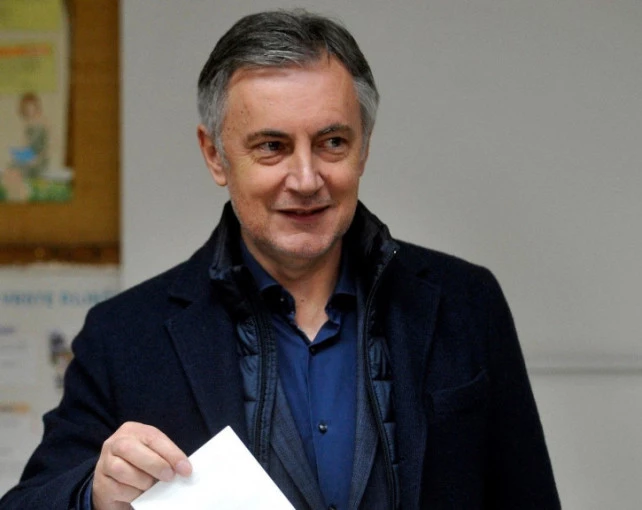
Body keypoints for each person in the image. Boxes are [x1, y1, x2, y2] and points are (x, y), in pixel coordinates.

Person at [0, 9, 560, 510]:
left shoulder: (466, 303)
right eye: (272, 147)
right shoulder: (124, 337)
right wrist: (95, 496)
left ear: (364, 147)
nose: (307, 178)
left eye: (332, 142)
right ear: (215, 155)